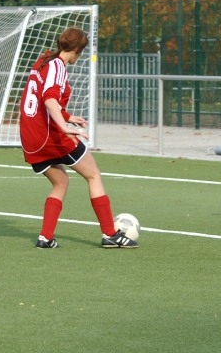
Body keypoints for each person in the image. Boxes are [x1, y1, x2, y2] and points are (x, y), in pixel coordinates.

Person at [19, 27, 138, 249]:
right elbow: (49, 100)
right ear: (77, 50)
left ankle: (46, 237)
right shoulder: (58, 66)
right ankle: (110, 234)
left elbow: (39, 100)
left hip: (31, 139)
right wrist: (64, 126)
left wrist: (67, 116)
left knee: (61, 182)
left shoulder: (43, 61)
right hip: (50, 137)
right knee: (93, 175)